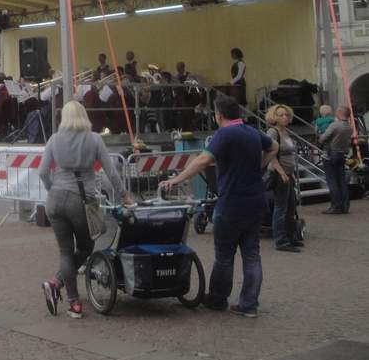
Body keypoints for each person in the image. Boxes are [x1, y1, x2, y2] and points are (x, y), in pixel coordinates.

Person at [160, 94, 278, 317]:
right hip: (255, 201)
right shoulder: (252, 131)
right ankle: (249, 304)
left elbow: (203, 160)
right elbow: (274, 146)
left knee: (224, 255)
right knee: (252, 255)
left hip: (231, 202)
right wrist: (259, 166)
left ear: (218, 115)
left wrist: (177, 179)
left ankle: (218, 299)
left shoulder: (225, 134)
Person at [39, 101, 132, 319]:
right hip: (82, 200)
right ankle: (56, 282)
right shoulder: (94, 139)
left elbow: (43, 172)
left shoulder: (54, 139)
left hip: (55, 199)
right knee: (85, 246)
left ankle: (73, 303)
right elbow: (111, 171)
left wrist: (53, 189)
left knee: (64, 251)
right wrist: (124, 196)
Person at [264, 104, 300, 252]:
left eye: (286, 114)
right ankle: (280, 241)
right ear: (274, 117)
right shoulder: (272, 132)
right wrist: (282, 172)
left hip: (288, 175)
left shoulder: (286, 132)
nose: (284, 117)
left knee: (291, 207)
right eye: (280, 115)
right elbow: (269, 154)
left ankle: (291, 238)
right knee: (281, 208)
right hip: (280, 175)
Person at [320, 106, 354, 215]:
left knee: (332, 181)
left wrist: (320, 134)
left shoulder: (335, 125)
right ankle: (345, 206)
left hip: (330, 155)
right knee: (342, 181)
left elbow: (323, 138)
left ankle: (336, 206)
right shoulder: (349, 126)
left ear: (340, 113)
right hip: (342, 155)